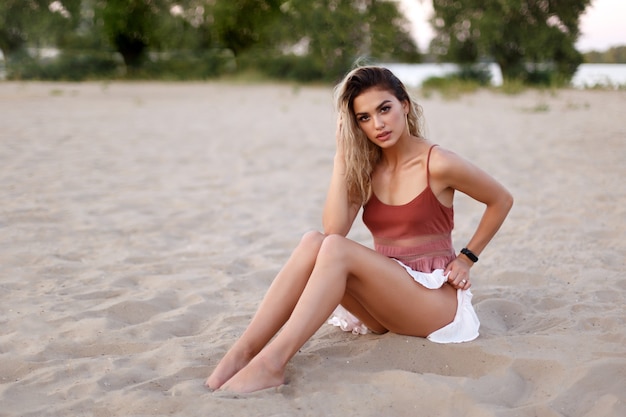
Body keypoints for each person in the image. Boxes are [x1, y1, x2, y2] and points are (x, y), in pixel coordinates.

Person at [205, 66, 513, 394]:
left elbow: (501, 200)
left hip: (434, 302)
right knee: (314, 241)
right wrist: (341, 156)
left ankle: (271, 364)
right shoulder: (368, 169)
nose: (377, 124)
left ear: (404, 105)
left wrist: (467, 258)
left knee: (334, 249)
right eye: (364, 118)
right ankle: (244, 352)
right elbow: (334, 228)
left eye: (384, 109)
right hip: (386, 302)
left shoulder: (438, 162)